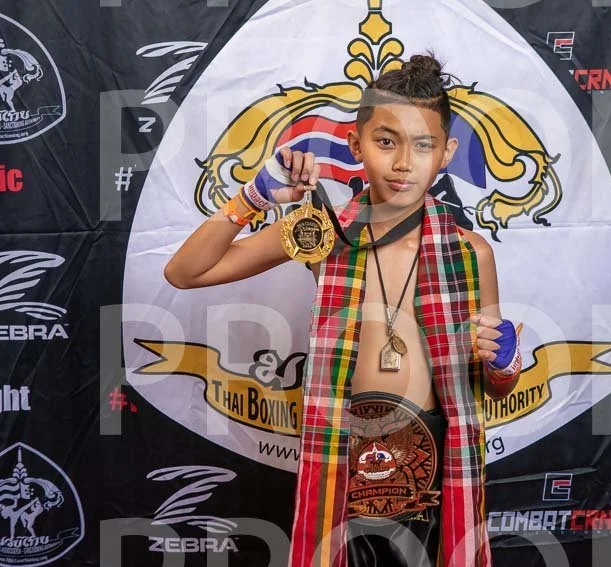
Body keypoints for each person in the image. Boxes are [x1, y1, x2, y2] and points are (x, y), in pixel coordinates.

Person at [164, 53, 522, 567]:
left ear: (446, 152)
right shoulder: (323, 233)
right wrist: (253, 198)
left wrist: (504, 362)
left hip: (435, 467)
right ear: (356, 145)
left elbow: (494, 386)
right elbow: (186, 272)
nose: (404, 162)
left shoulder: (471, 252)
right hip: (342, 457)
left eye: (423, 145)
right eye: (386, 142)